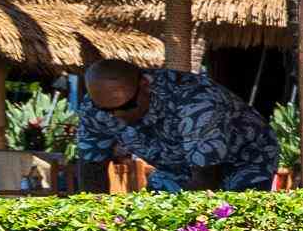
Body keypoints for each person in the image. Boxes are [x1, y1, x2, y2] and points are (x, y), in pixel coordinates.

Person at [71, 58, 280, 194]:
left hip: (244, 160)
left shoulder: (196, 102)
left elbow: (206, 179)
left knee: (229, 220)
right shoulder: (93, 108)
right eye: (107, 110)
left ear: (145, 85)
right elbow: (91, 169)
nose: (118, 116)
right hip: (177, 167)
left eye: (127, 106)